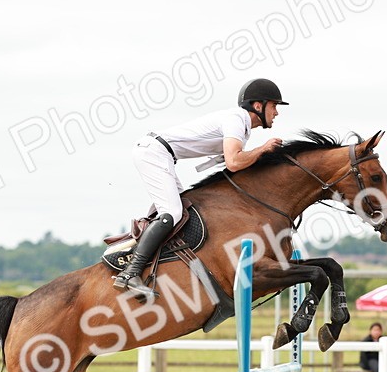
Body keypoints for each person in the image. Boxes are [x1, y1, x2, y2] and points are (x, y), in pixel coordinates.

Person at [113, 78, 289, 297]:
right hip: (154, 152)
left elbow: (233, 165)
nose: (277, 112)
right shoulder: (236, 119)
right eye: (274, 106)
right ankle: (130, 272)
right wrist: (263, 149)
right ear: (258, 106)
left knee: (184, 213)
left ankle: (160, 267)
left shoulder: (242, 128)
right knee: (173, 213)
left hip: (162, 155)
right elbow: (234, 162)